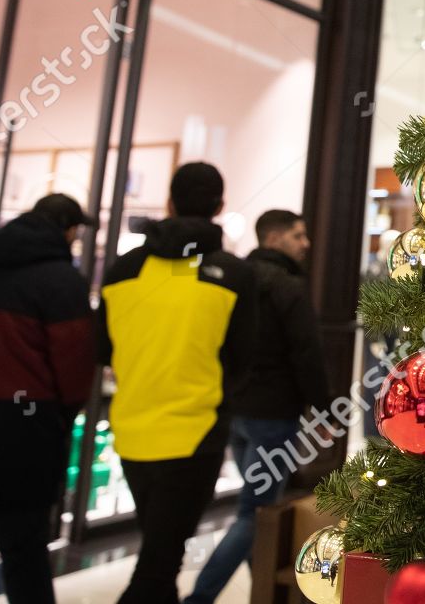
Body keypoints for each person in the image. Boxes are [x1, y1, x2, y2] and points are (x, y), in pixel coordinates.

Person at [97, 163, 256, 604]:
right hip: (195, 434)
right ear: (220, 207)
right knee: (158, 563)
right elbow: (243, 358)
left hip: (131, 431)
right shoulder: (234, 275)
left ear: (169, 202)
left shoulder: (122, 270)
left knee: (160, 553)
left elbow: (102, 349)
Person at [0, 194, 96, 604]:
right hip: (22, 438)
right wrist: (61, 416)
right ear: (68, 231)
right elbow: (74, 367)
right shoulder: (61, 282)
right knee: (23, 555)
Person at [184, 210, 329, 604]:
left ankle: (264, 592)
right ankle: (199, 598)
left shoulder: (231, 279)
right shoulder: (288, 287)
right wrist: (324, 410)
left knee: (255, 507)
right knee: (256, 511)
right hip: (273, 414)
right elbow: (307, 354)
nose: (306, 244)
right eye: (298, 235)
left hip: (235, 410)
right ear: (274, 238)